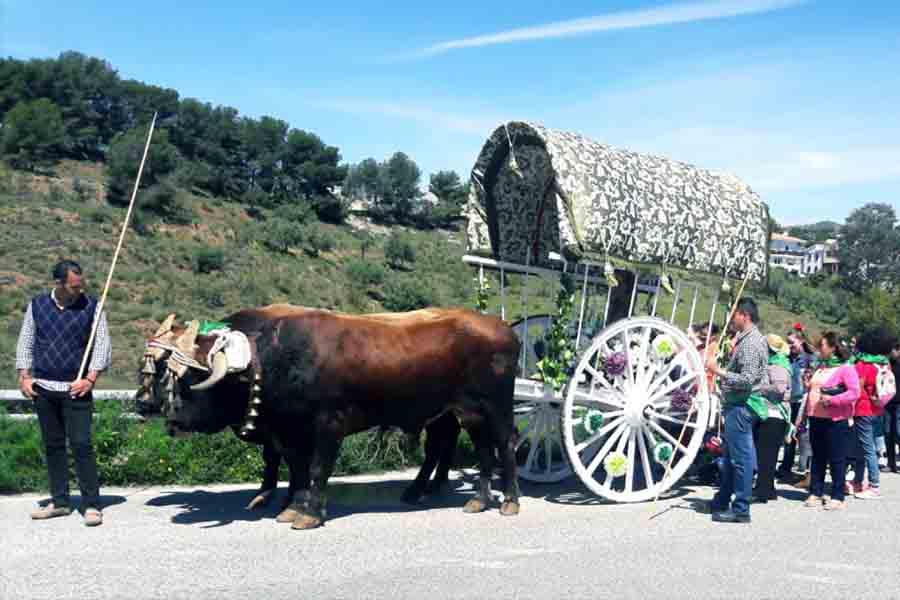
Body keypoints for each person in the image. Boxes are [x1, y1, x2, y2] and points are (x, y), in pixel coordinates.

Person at [15, 260, 111, 526]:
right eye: (74, 286)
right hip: (43, 388)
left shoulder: (93, 306)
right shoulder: (37, 305)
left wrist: (90, 379)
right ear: (58, 283)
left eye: (82, 285)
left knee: (81, 445)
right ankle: (60, 502)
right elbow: (26, 341)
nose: (80, 291)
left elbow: (102, 346)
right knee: (53, 446)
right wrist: (24, 376)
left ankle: (92, 505)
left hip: (76, 388)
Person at [705, 298, 769, 524]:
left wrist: (718, 371)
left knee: (740, 458)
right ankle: (723, 499)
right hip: (737, 405)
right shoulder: (748, 340)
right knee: (731, 456)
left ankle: (741, 508)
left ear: (745, 315)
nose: (732, 319)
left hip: (743, 405)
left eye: (734, 314)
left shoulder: (752, 343)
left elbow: (747, 380)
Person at [802, 332, 859, 511]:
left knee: (836, 458)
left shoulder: (845, 368)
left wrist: (833, 400)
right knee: (817, 457)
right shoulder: (821, 367)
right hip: (816, 417)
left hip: (836, 419)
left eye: (823, 346)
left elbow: (854, 392)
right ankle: (816, 492)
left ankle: (837, 496)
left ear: (833, 348)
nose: (820, 349)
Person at [850, 328, 896, 499]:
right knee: (863, 447)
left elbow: (856, 388)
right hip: (877, 409)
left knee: (866, 448)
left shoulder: (862, 365)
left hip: (862, 409)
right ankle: (857, 481)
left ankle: (873, 485)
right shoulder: (883, 363)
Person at [752, 334, 792, 503]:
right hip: (769, 413)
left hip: (775, 413)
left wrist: (758, 388)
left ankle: (763, 490)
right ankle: (767, 488)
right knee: (766, 454)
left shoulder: (778, 365)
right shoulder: (774, 363)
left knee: (766, 454)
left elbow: (779, 388)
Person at [778, 328, 815, 482]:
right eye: (788, 342)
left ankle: (806, 471)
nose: (789, 345)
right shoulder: (787, 357)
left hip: (802, 402)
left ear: (801, 341)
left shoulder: (810, 359)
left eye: (792, 342)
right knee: (788, 435)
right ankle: (785, 468)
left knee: (803, 436)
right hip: (789, 401)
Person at [886, 343, 900, 473]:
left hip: (898, 404)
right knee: (888, 433)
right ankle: (891, 464)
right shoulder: (889, 363)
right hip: (888, 402)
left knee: (898, 432)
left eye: (894, 350)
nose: (892, 353)